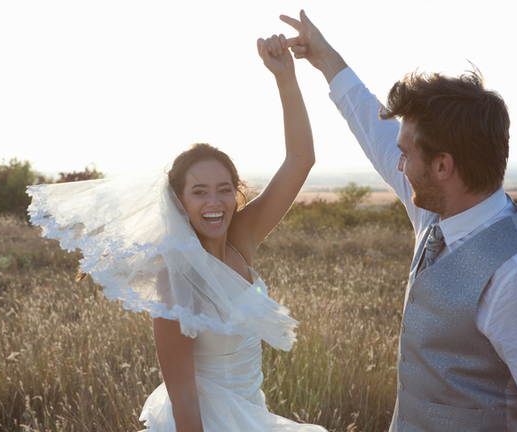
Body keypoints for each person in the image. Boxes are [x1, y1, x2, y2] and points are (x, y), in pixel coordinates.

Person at [27, 33, 327, 431]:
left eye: (223, 190)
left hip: (250, 414)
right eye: (199, 192)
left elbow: (301, 160)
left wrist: (285, 79)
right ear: (179, 201)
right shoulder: (175, 279)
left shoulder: (242, 239)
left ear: (236, 193)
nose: (214, 203)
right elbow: (183, 395)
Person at [279, 10, 517, 432]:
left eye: (408, 155)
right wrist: (325, 59)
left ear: (443, 166)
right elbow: (375, 130)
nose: (398, 164)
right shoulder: (436, 213)